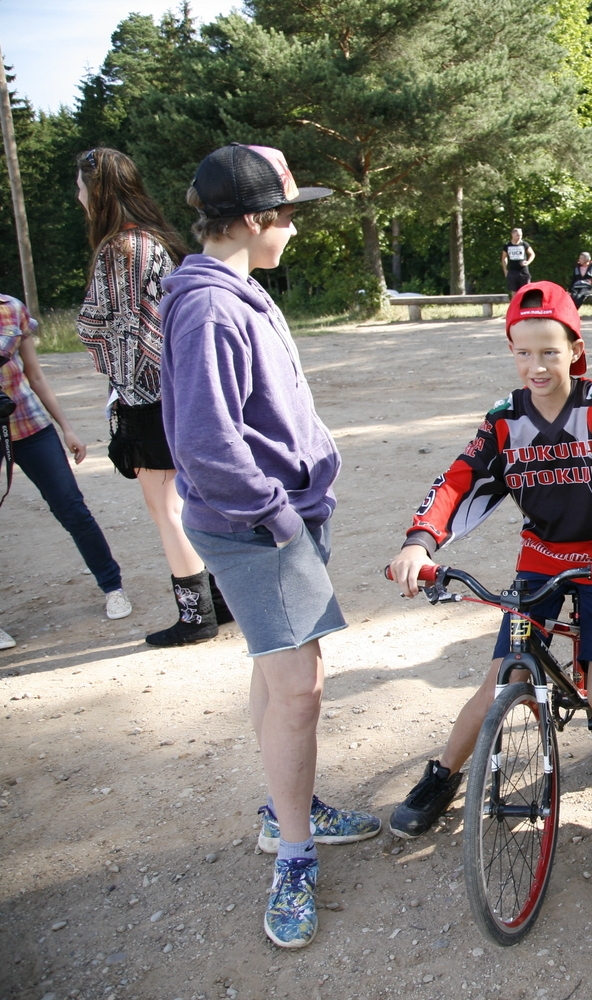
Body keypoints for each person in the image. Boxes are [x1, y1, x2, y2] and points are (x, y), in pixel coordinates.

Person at [160, 143, 381, 950]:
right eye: (287, 214)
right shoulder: (211, 305)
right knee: (300, 688)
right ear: (255, 219)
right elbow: (205, 443)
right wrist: (279, 517)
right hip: (260, 526)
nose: (293, 228)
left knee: (273, 665)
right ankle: (294, 851)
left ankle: (286, 809)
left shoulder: (235, 291)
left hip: (278, 515)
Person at [385, 281, 592, 836]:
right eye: (523, 352)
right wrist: (420, 540)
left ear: (575, 350)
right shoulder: (503, 419)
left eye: (550, 352)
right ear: (511, 351)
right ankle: (442, 776)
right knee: (499, 679)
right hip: (540, 558)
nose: (536, 366)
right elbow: (457, 480)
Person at [74, 146, 234, 646]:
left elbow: (127, 331)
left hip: (147, 394)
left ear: (97, 191)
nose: (77, 196)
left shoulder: (120, 249)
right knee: (185, 500)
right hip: (171, 387)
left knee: (166, 507)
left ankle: (196, 615)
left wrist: (124, 390)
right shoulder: (154, 239)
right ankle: (220, 601)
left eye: (80, 187)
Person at [0, 293, 133, 629]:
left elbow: (36, 375)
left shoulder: (11, 309)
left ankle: (113, 588)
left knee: (72, 508)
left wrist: (67, 428)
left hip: (30, 425)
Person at [503, 228, 535, 295]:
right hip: (512, 272)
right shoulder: (507, 245)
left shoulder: (524, 244)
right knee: (514, 293)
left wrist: (528, 262)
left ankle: (526, 305)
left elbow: (532, 254)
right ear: (512, 235)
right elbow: (504, 258)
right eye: (517, 235)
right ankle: (514, 305)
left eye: (521, 235)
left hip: (523, 272)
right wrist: (505, 270)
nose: (519, 237)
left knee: (526, 292)